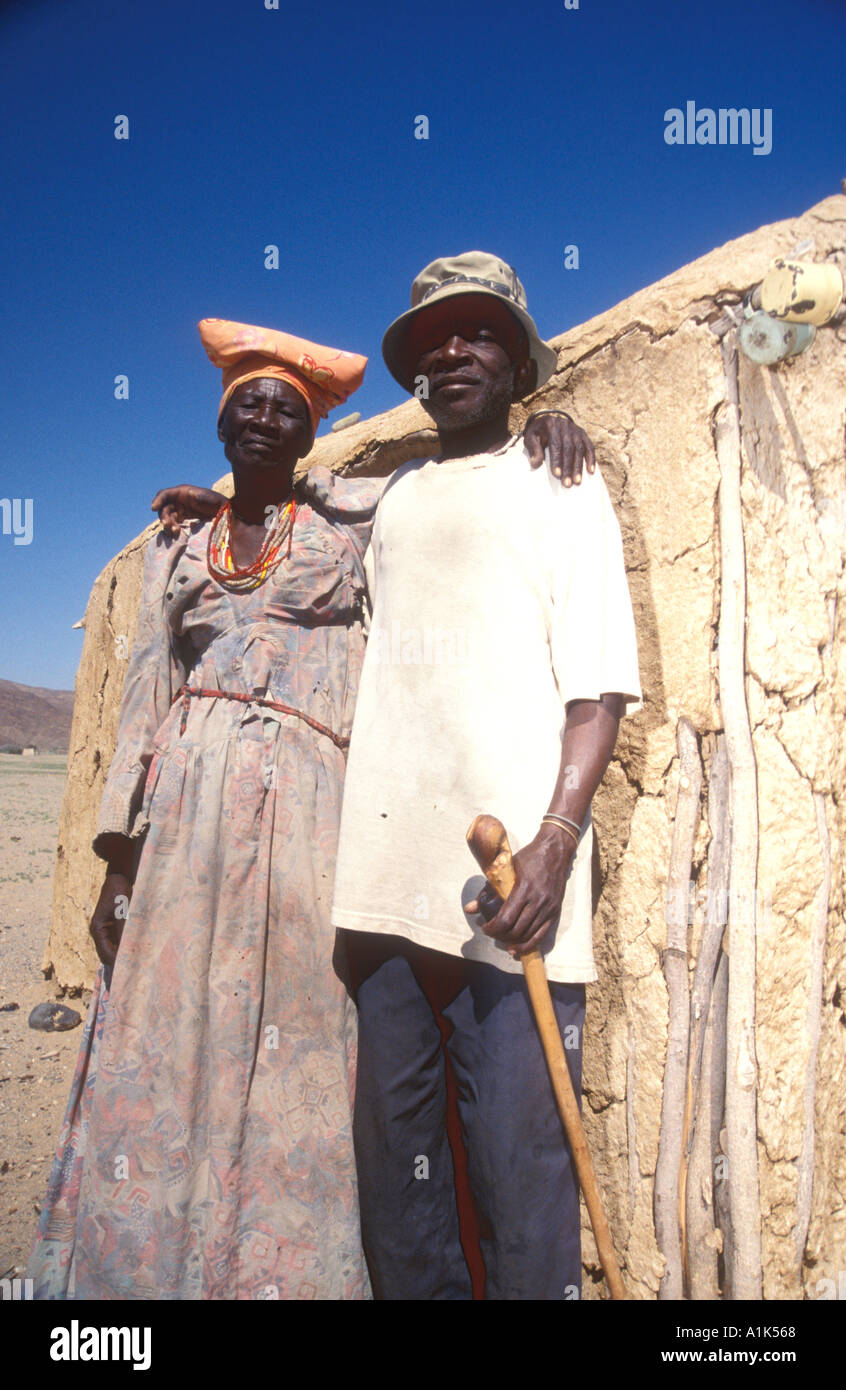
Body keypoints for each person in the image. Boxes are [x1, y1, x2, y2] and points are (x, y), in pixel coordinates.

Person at [29, 318, 379, 1299]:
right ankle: (140, 1272)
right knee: (162, 1024)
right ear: (224, 428)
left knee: (299, 1023)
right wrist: (118, 859)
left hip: (307, 812)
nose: (266, 420)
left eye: (287, 410)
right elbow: (146, 690)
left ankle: (274, 1269)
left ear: (309, 437)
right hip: (182, 819)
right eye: (248, 406)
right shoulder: (180, 546)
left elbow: (453, 490)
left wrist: (542, 433)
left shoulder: (354, 523)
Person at [330, 252, 642, 1300]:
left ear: (516, 363)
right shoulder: (394, 500)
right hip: (383, 888)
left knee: (519, 1168)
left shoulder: (564, 480)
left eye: (477, 335)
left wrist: (556, 837)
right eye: (432, 344)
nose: (451, 353)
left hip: (512, 892)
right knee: (400, 1180)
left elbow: (599, 687)